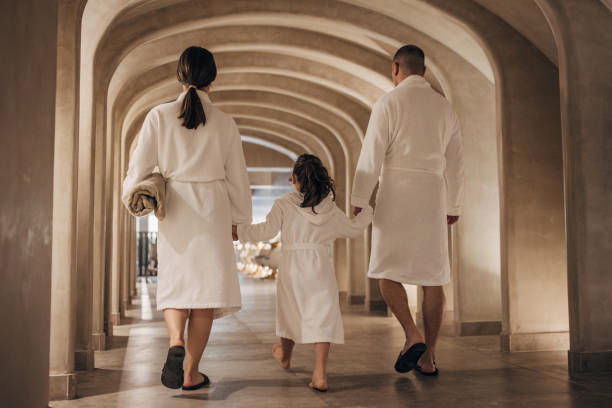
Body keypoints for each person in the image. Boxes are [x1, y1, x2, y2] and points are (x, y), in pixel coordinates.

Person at [122, 46, 252, 390]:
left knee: (177, 286)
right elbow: (238, 176)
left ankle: (175, 342)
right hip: (213, 211)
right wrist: (238, 219)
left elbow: (138, 169)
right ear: (213, 78)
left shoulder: (158, 116)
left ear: (180, 75)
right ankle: (192, 373)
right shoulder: (225, 122)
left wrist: (132, 195)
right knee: (205, 295)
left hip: (176, 210)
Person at [351, 45, 464, 376]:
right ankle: (428, 358)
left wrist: (359, 197)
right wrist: (453, 203)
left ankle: (411, 334)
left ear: (396, 68)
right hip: (432, 194)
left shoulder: (389, 102)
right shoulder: (444, 108)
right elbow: (457, 162)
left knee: (385, 271)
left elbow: (371, 154)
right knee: (433, 277)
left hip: (396, 192)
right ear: (425, 71)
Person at [233, 154, 373, 391]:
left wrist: (238, 232)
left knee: (290, 311)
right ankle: (320, 374)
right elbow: (353, 229)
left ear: (296, 179)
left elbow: (265, 231)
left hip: (292, 266)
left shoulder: (284, 204)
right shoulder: (330, 210)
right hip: (320, 266)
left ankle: (286, 356)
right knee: (323, 315)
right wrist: (367, 211)